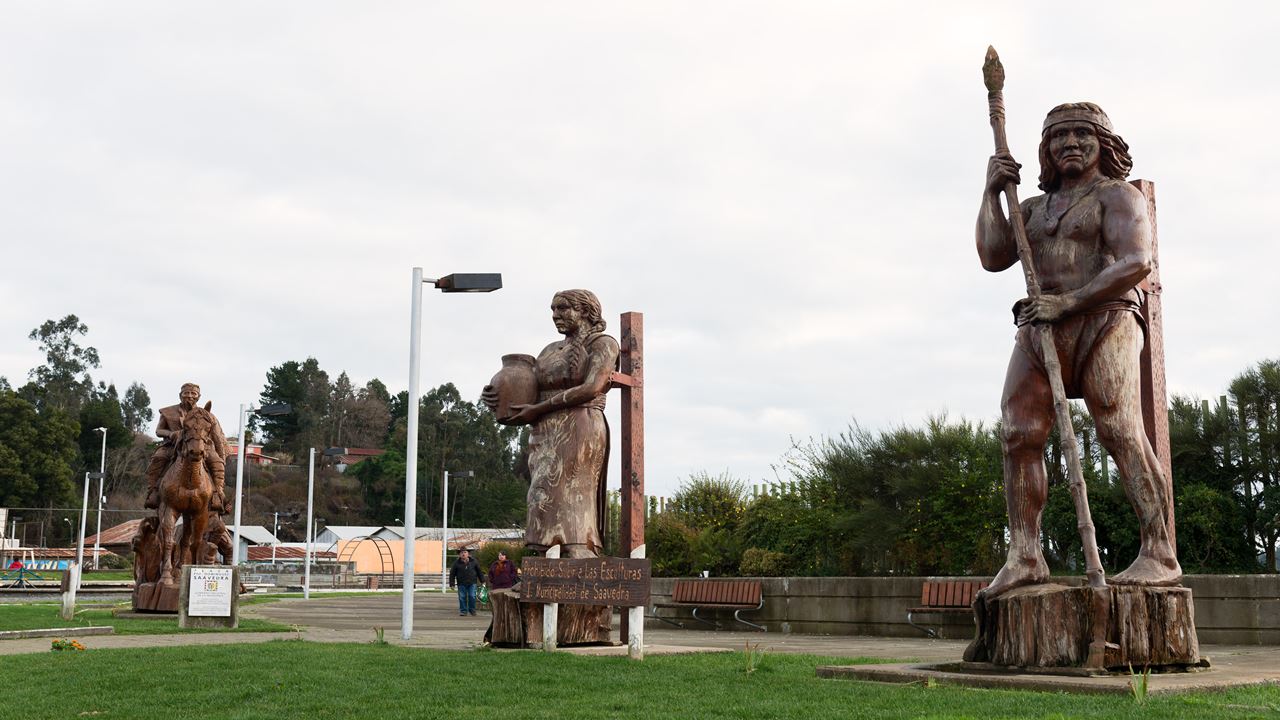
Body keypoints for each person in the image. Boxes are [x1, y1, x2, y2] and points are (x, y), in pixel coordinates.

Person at [976, 102, 1180, 598]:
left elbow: (1136, 261)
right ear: (1045, 149)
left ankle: (1159, 552)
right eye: (1058, 136)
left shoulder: (1117, 196)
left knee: (1119, 426)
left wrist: (1067, 302)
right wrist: (991, 192)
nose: (1069, 143)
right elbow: (992, 255)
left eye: (1081, 134)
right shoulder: (1031, 209)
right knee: (1018, 433)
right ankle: (1025, 554)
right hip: (1040, 326)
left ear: (1102, 144)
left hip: (1105, 318)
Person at [482, 290, 619, 560]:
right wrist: (496, 397)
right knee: (540, 491)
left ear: (585, 312)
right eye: (553, 309)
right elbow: (527, 392)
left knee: (571, 488)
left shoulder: (603, 343)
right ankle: (542, 547)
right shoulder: (549, 350)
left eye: (563, 308)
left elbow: (592, 387)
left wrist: (538, 408)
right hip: (544, 430)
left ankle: (577, 546)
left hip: (579, 425)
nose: (556, 315)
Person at [144, 383, 231, 512]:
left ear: (198, 396)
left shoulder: (207, 415)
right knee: (158, 458)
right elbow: (159, 431)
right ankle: (153, 492)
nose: (189, 396)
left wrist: (221, 456)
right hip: (173, 445)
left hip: (201, 446)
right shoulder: (168, 412)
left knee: (216, 463)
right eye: (186, 393)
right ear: (180, 395)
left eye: (193, 393)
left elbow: (216, 437)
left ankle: (218, 494)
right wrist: (171, 434)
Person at [449, 549, 485, 616]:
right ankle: (463, 611)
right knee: (462, 597)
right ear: (459, 554)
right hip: (461, 583)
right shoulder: (456, 563)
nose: (463, 554)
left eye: (465, 552)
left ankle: (472, 610)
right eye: (462, 553)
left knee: (472, 596)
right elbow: (452, 574)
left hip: (472, 582)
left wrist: (482, 581)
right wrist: (452, 584)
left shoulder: (474, 561)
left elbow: (479, 571)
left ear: (468, 554)